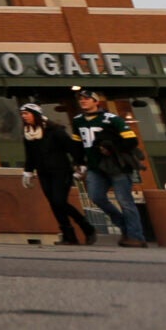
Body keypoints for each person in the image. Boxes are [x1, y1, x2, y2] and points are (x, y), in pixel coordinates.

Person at [70, 90, 148, 248]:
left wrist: (113, 148)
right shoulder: (78, 120)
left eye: (87, 99)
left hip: (116, 165)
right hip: (94, 166)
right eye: (81, 99)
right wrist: (79, 162)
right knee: (96, 197)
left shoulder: (111, 119)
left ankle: (135, 236)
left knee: (125, 201)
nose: (83, 101)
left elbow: (131, 140)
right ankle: (125, 227)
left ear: (96, 102)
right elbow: (77, 144)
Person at [17, 103, 91, 247]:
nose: (24, 116)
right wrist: (28, 171)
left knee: (59, 201)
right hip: (44, 172)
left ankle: (86, 227)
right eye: (22, 114)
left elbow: (71, 147)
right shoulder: (28, 133)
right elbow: (30, 155)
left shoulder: (55, 130)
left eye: (26, 113)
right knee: (54, 204)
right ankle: (69, 236)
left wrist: (80, 163)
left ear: (35, 114)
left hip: (61, 171)